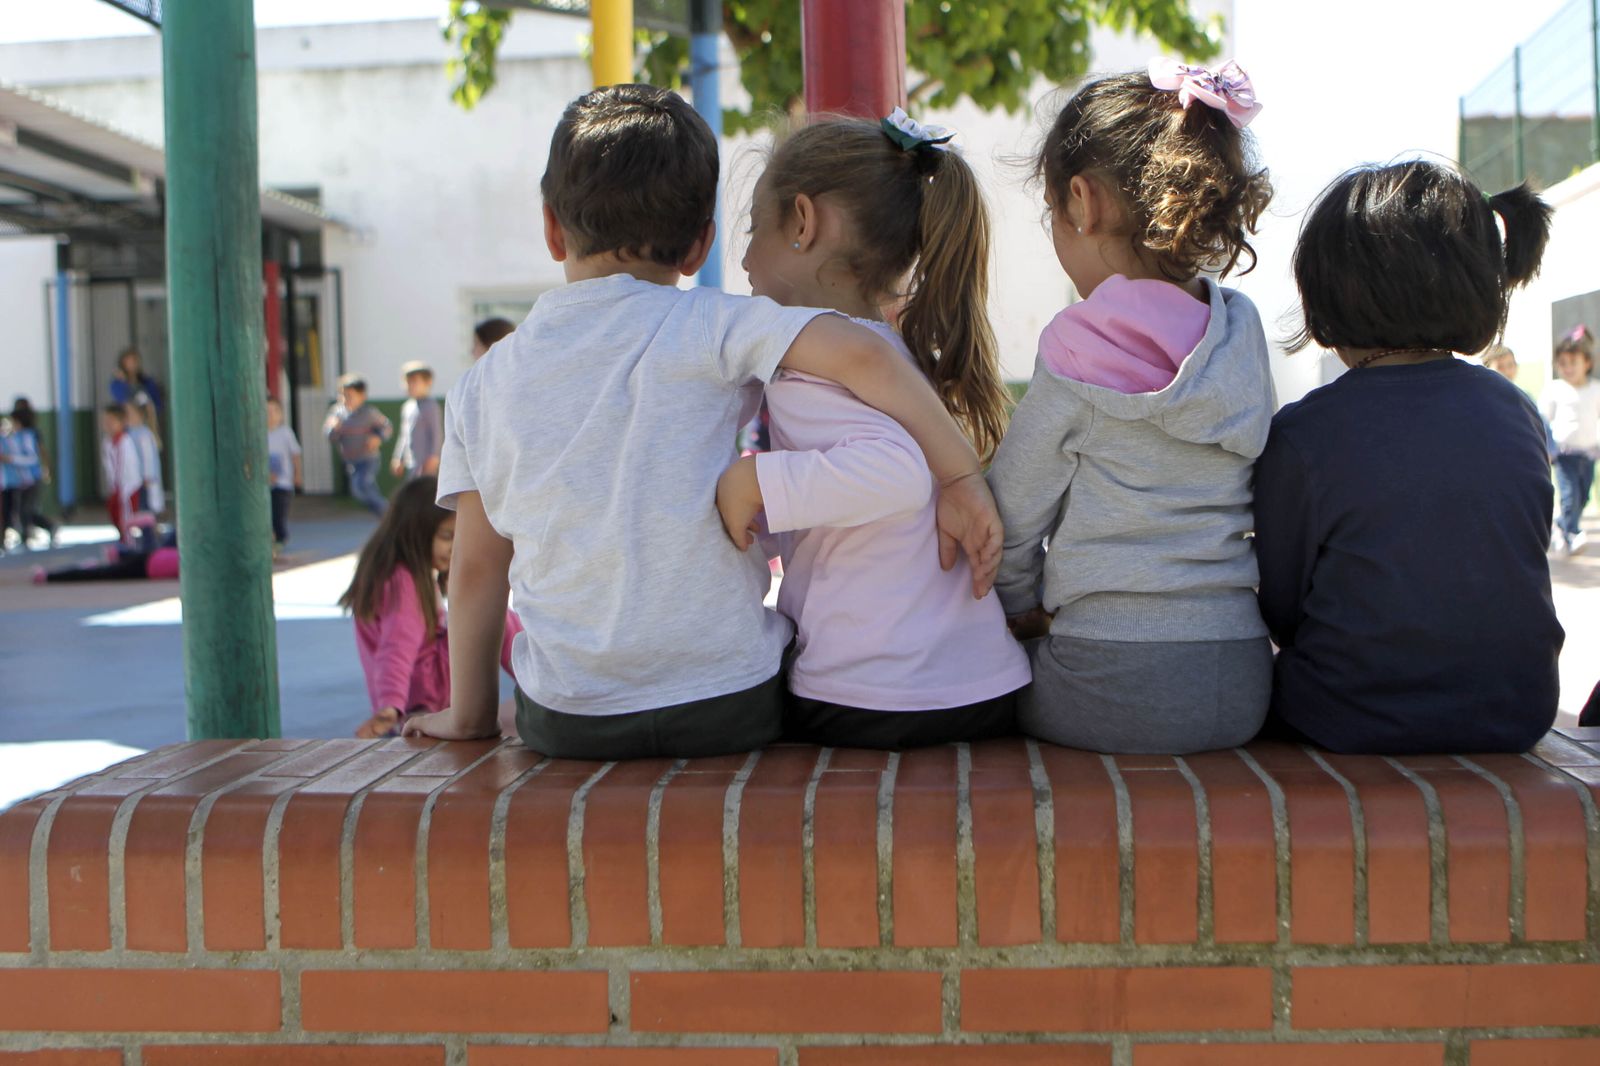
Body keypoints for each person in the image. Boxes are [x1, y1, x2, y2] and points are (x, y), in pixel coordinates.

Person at [401, 84, 1002, 759]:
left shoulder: (482, 384)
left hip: (570, 715)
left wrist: (471, 714)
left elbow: (479, 568)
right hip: (730, 701)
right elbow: (865, 351)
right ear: (699, 247)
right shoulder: (714, 323)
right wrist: (958, 475)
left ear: (550, 226)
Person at [988, 60, 1276, 755]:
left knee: (971, 684)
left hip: (1105, 677)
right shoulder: (1240, 333)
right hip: (1241, 678)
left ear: (1082, 203)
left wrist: (1018, 606)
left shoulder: (1074, 346)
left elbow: (1014, 515)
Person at [726, 109, 1029, 749]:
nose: (746, 258)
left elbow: (894, 476)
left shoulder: (808, 362)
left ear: (803, 223)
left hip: (871, 695)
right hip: (983, 686)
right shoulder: (899, 353)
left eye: (756, 229)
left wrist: (757, 482)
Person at [1253, 161, 1563, 754]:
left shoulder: (1304, 434)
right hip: (1517, 709)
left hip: (1344, 713)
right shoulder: (1516, 410)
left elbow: (1282, 609)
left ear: (1328, 294)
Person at [338, 477, 520, 739]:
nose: (456, 548)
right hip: (416, 707)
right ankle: (542, 679)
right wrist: (389, 707)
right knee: (493, 617)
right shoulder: (403, 583)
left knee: (494, 615)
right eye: (447, 536)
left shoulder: (407, 575)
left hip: (420, 700)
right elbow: (396, 647)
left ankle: (540, 676)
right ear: (416, 531)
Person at [1541, 325, 1599, 555]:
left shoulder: (1596, 389)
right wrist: (1547, 447)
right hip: (1565, 455)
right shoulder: (1555, 389)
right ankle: (1573, 533)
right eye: (1562, 363)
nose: (1567, 368)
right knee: (1569, 496)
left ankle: (1563, 525)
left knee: (1583, 496)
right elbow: (1543, 419)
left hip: (1589, 453)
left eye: (1573, 362)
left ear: (1587, 362)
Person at [323, 374, 392, 516]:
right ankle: (384, 514)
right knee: (364, 491)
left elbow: (386, 427)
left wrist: (377, 437)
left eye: (349, 396)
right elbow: (331, 437)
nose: (345, 399)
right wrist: (333, 428)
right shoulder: (337, 414)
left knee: (361, 486)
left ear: (362, 396)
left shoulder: (369, 413)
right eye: (342, 395)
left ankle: (388, 513)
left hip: (368, 459)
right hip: (351, 461)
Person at [6, 399, 58, 549]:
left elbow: (35, 455)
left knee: (26, 510)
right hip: (22, 480)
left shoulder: (30, 435)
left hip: (32, 479)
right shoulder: (16, 435)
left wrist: (46, 468)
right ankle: (25, 535)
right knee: (22, 509)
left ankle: (48, 527)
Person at [391, 361, 442, 481]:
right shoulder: (407, 407)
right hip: (411, 462)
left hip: (425, 462)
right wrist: (398, 457)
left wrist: (434, 457)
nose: (410, 386)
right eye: (407, 382)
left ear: (428, 382)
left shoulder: (431, 406)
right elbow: (404, 435)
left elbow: (436, 434)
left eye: (414, 382)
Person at [100, 404, 142, 543]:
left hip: (128, 486)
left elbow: (128, 466)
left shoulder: (126, 442)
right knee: (114, 512)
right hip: (116, 487)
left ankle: (130, 542)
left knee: (127, 516)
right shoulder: (107, 443)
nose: (108, 425)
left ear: (121, 422)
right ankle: (123, 539)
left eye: (111, 421)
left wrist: (125, 487)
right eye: (106, 422)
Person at [266, 397, 303, 552]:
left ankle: (281, 540)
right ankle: (271, 540)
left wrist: (297, 475)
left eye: (275, 411)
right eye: (266, 411)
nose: (271, 415)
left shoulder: (285, 433)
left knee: (279, 513)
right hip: (265, 484)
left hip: (283, 483)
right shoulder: (258, 434)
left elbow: (295, 455)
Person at [124, 402, 164, 517]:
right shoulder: (129, 433)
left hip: (143, 481)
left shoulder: (144, 434)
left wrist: (147, 477)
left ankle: (149, 533)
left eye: (130, 414)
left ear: (140, 415)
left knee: (145, 509)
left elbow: (149, 458)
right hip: (135, 480)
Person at [109, 347, 164, 419]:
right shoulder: (117, 384)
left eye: (136, 360)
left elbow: (157, 405)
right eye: (130, 361)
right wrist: (125, 381)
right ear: (123, 364)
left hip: (147, 420)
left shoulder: (147, 382)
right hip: (128, 422)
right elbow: (123, 399)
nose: (134, 364)